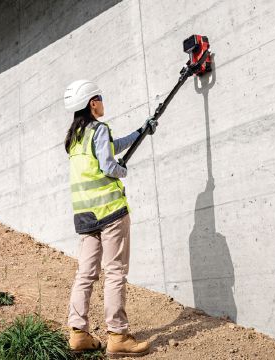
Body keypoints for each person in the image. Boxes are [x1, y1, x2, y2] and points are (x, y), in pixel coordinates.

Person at [63, 79, 157, 357]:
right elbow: (108, 164)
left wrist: (141, 132)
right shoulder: (99, 129)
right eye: (100, 98)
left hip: (86, 216)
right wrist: (122, 170)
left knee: (86, 274)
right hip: (110, 212)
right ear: (93, 103)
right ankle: (118, 336)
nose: (103, 102)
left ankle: (78, 333)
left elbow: (110, 147)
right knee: (115, 272)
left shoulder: (75, 138)